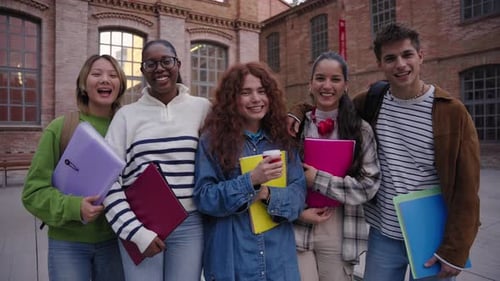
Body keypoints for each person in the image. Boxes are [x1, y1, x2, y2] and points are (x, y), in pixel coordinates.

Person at [288, 23, 480, 281]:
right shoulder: (371, 101)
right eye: (390, 58)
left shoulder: (451, 112)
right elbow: (328, 103)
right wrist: (298, 110)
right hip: (383, 235)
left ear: (420, 56)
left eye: (407, 55)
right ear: (380, 63)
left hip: (432, 234)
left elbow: (467, 186)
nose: (400, 64)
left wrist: (457, 248)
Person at [102, 39, 211, 281]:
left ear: (178, 64)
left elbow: (237, 135)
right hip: (141, 223)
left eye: (166, 61)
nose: (159, 68)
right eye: (151, 63)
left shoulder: (203, 109)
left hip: (189, 224)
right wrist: (136, 233)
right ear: (142, 71)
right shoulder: (126, 117)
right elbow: (106, 181)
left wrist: (296, 112)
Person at [193, 62, 306, 281]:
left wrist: (268, 195)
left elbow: (298, 194)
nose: (256, 99)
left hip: (278, 261)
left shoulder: (282, 139)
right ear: (231, 99)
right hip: (235, 259)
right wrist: (251, 181)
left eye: (261, 91)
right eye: (246, 92)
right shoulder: (212, 141)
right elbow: (205, 197)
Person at [22, 54, 127, 281]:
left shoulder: (128, 129)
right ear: (83, 83)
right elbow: (32, 193)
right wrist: (74, 207)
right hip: (68, 245)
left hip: (116, 243)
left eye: (112, 75)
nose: (105, 80)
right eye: (96, 74)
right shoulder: (61, 128)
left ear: (120, 85)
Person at [293, 51, 380, 281]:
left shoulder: (360, 130)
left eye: (335, 79)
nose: (327, 85)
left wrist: (318, 179)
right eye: (320, 78)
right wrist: (296, 212)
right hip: (298, 225)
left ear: (346, 85)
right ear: (311, 84)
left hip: (340, 226)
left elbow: (369, 186)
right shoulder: (295, 127)